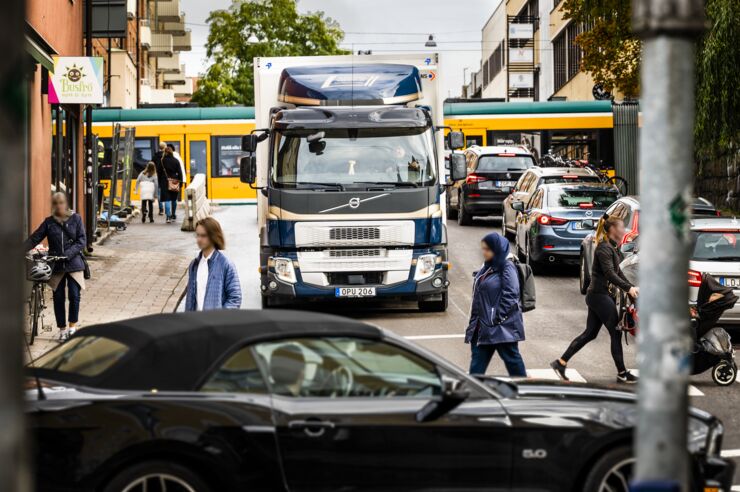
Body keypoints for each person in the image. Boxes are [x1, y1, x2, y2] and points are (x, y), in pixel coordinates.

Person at [551, 215, 640, 384]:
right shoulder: (603, 248)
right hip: (599, 296)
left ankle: (560, 362)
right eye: (621, 227)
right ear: (613, 229)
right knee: (616, 332)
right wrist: (628, 288)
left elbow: (619, 272)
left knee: (590, 333)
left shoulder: (612, 248)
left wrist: (630, 288)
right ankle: (622, 372)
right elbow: (610, 274)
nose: (623, 230)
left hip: (599, 296)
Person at [24, 192, 87, 341]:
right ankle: (62, 329)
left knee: (74, 295)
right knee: (58, 298)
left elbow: (81, 240)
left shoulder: (76, 219)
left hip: (73, 263)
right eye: (56, 203)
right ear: (53, 205)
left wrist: (68, 254)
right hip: (56, 264)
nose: (59, 205)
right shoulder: (49, 222)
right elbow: (35, 238)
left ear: (66, 204)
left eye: (61, 202)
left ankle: (72, 327)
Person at [466, 232, 527, 376]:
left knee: (513, 362)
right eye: (483, 249)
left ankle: (523, 391)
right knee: (477, 365)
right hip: (484, 327)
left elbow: (511, 294)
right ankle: (472, 393)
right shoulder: (487, 266)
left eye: (488, 249)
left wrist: (496, 318)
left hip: (500, 327)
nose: (484, 252)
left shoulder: (507, 266)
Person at [185, 217, 242, 311]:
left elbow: (235, 299)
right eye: (197, 235)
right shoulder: (194, 265)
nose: (199, 239)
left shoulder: (226, 264)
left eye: (203, 236)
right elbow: (191, 298)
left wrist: (218, 318)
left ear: (213, 236)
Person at [160, 145, 183, 223]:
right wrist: (181, 182)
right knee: (174, 199)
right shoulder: (176, 161)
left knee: (167, 199)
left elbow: (159, 172)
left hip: (164, 181)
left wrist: (160, 182)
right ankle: (173, 214)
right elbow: (180, 172)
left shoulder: (162, 161)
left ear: (165, 153)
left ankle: (168, 217)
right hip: (174, 181)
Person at [153, 142, 167, 216]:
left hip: (157, 176)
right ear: (164, 147)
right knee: (167, 193)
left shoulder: (155, 156)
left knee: (159, 193)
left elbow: (152, 165)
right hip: (165, 177)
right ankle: (168, 210)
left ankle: (161, 209)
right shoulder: (166, 156)